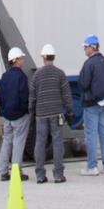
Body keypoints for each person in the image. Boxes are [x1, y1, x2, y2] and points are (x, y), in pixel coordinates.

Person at [30, 43, 73, 184]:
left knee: (40, 143)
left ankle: (40, 175)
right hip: (57, 113)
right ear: (54, 57)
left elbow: (32, 97)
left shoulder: (36, 75)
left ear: (43, 57)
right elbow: (66, 95)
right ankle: (58, 175)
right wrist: (70, 111)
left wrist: (32, 112)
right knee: (57, 142)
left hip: (41, 114)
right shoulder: (60, 73)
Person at [78, 34, 104, 176]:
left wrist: (92, 94)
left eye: (85, 47)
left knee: (90, 135)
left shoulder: (89, 64)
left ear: (92, 47)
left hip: (91, 104)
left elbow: (83, 84)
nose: (84, 50)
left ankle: (92, 166)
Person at [0, 47, 30, 182]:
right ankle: (16, 172)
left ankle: (3, 172)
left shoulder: (5, 76)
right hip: (20, 116)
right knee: (18, 143)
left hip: (7, 116)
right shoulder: (21, 76)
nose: (23, 61)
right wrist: (24, 110)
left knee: (7, 142)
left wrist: (4, 110)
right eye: (21, 58)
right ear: (16, 60)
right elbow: (24, 97)